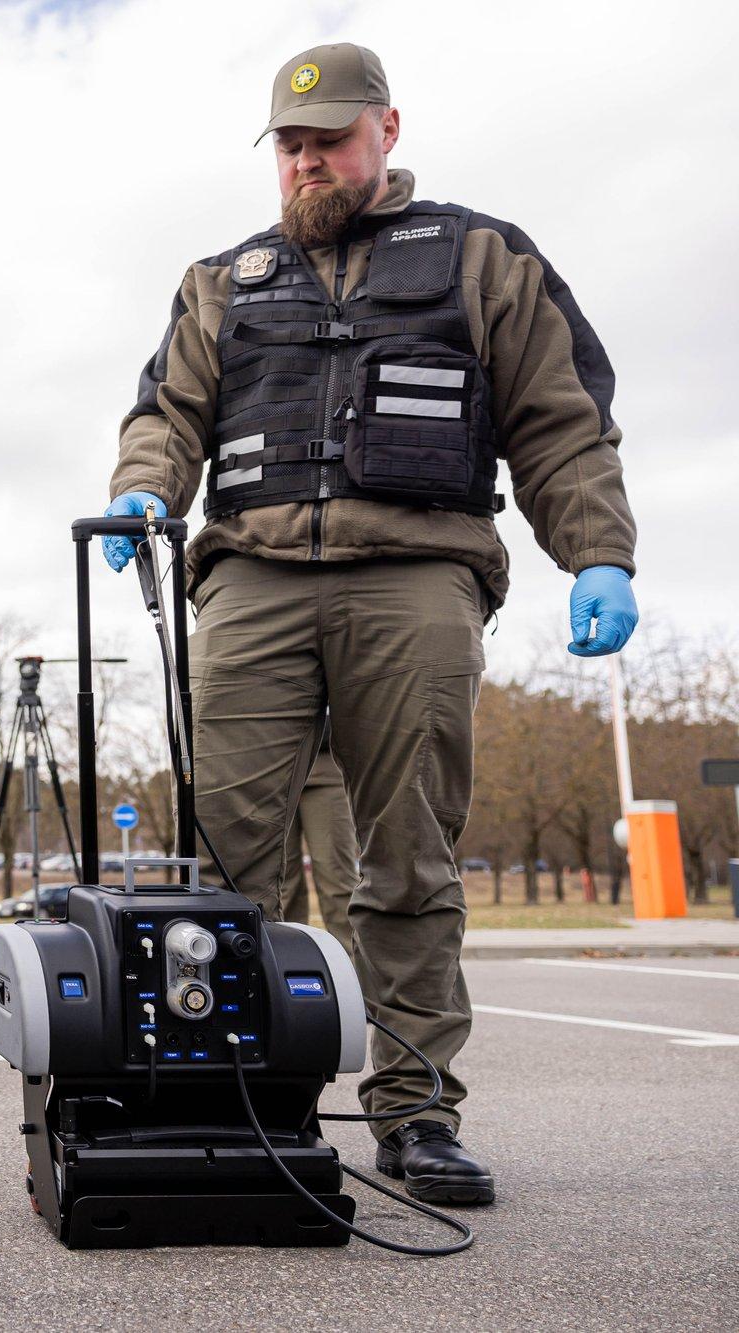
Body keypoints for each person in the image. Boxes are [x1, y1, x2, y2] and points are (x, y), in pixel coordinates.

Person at [101, 43, 638, 1205]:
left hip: (415, 579)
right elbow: (166, 410)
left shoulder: (481, 258)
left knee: (404, 857)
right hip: (246, 581)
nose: (305, 164)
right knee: (228, 860)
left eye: (326, 141)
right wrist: (144, 488)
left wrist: (595, 555)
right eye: (288, 146)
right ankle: (241, 1094)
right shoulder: (221, 280)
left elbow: (558, 421)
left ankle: (414, 1113)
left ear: (384, 132)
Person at [278, 739, 356, 953]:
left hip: (328, 768)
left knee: (336, 875)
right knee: (282, 881)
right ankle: (288, 963)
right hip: (277, 767)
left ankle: (351, 968)